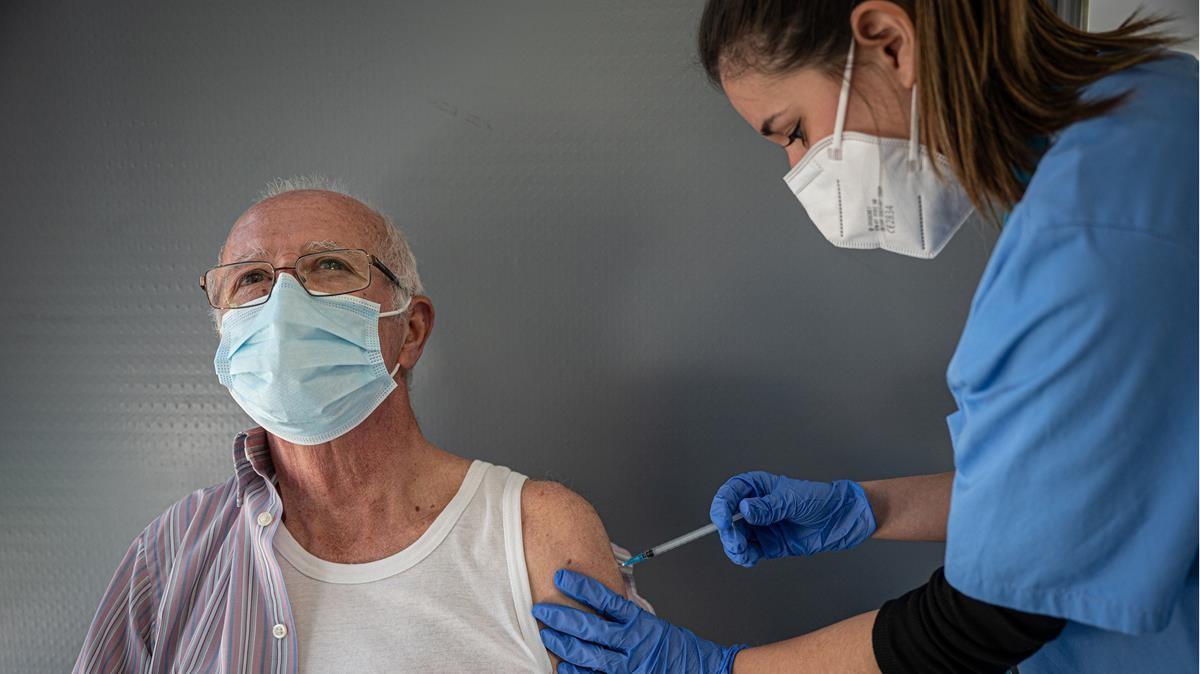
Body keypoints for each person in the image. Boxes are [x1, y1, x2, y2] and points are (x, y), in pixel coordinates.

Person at [532, 1, 1197, 672]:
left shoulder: (1087, 241)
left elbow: (990, 618)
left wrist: (717, 667)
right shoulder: (1160, 105)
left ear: (889, 41)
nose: (797, 168)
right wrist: (866, 507)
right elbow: (1084, 487)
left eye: (793, 131)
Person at [74, 178, 649, 673]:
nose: (282, 306)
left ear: (412, 329)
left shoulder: (535, 533)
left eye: (328, 266)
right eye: (250, 278)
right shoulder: (172, 554)